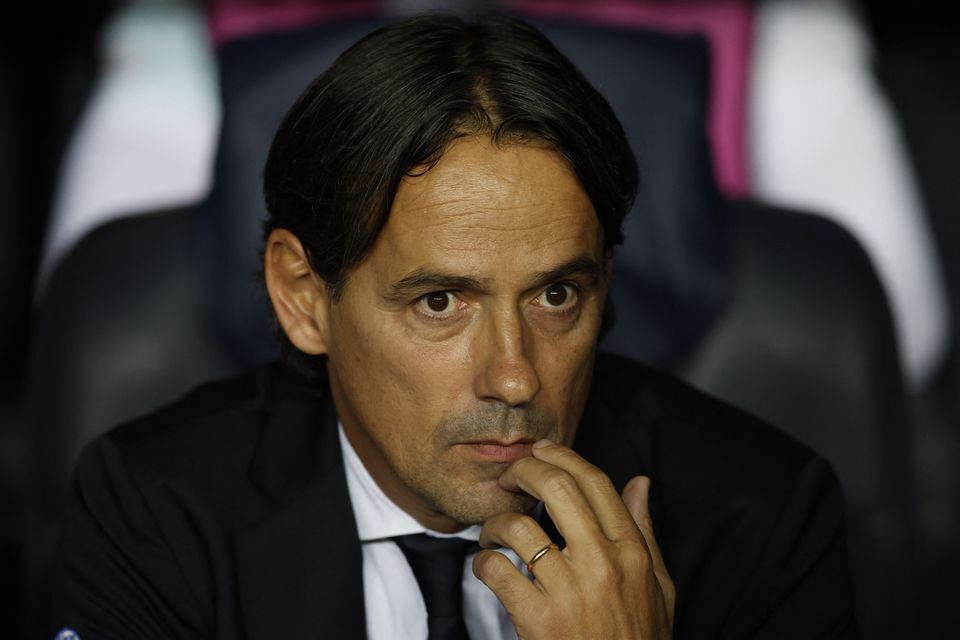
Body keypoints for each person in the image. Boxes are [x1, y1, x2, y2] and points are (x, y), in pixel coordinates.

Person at [50, 14, 857, 639]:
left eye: (556, 297)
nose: (516, 378)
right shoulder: (152, 509)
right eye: (440, 302)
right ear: (303, 296)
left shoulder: (764, 518)